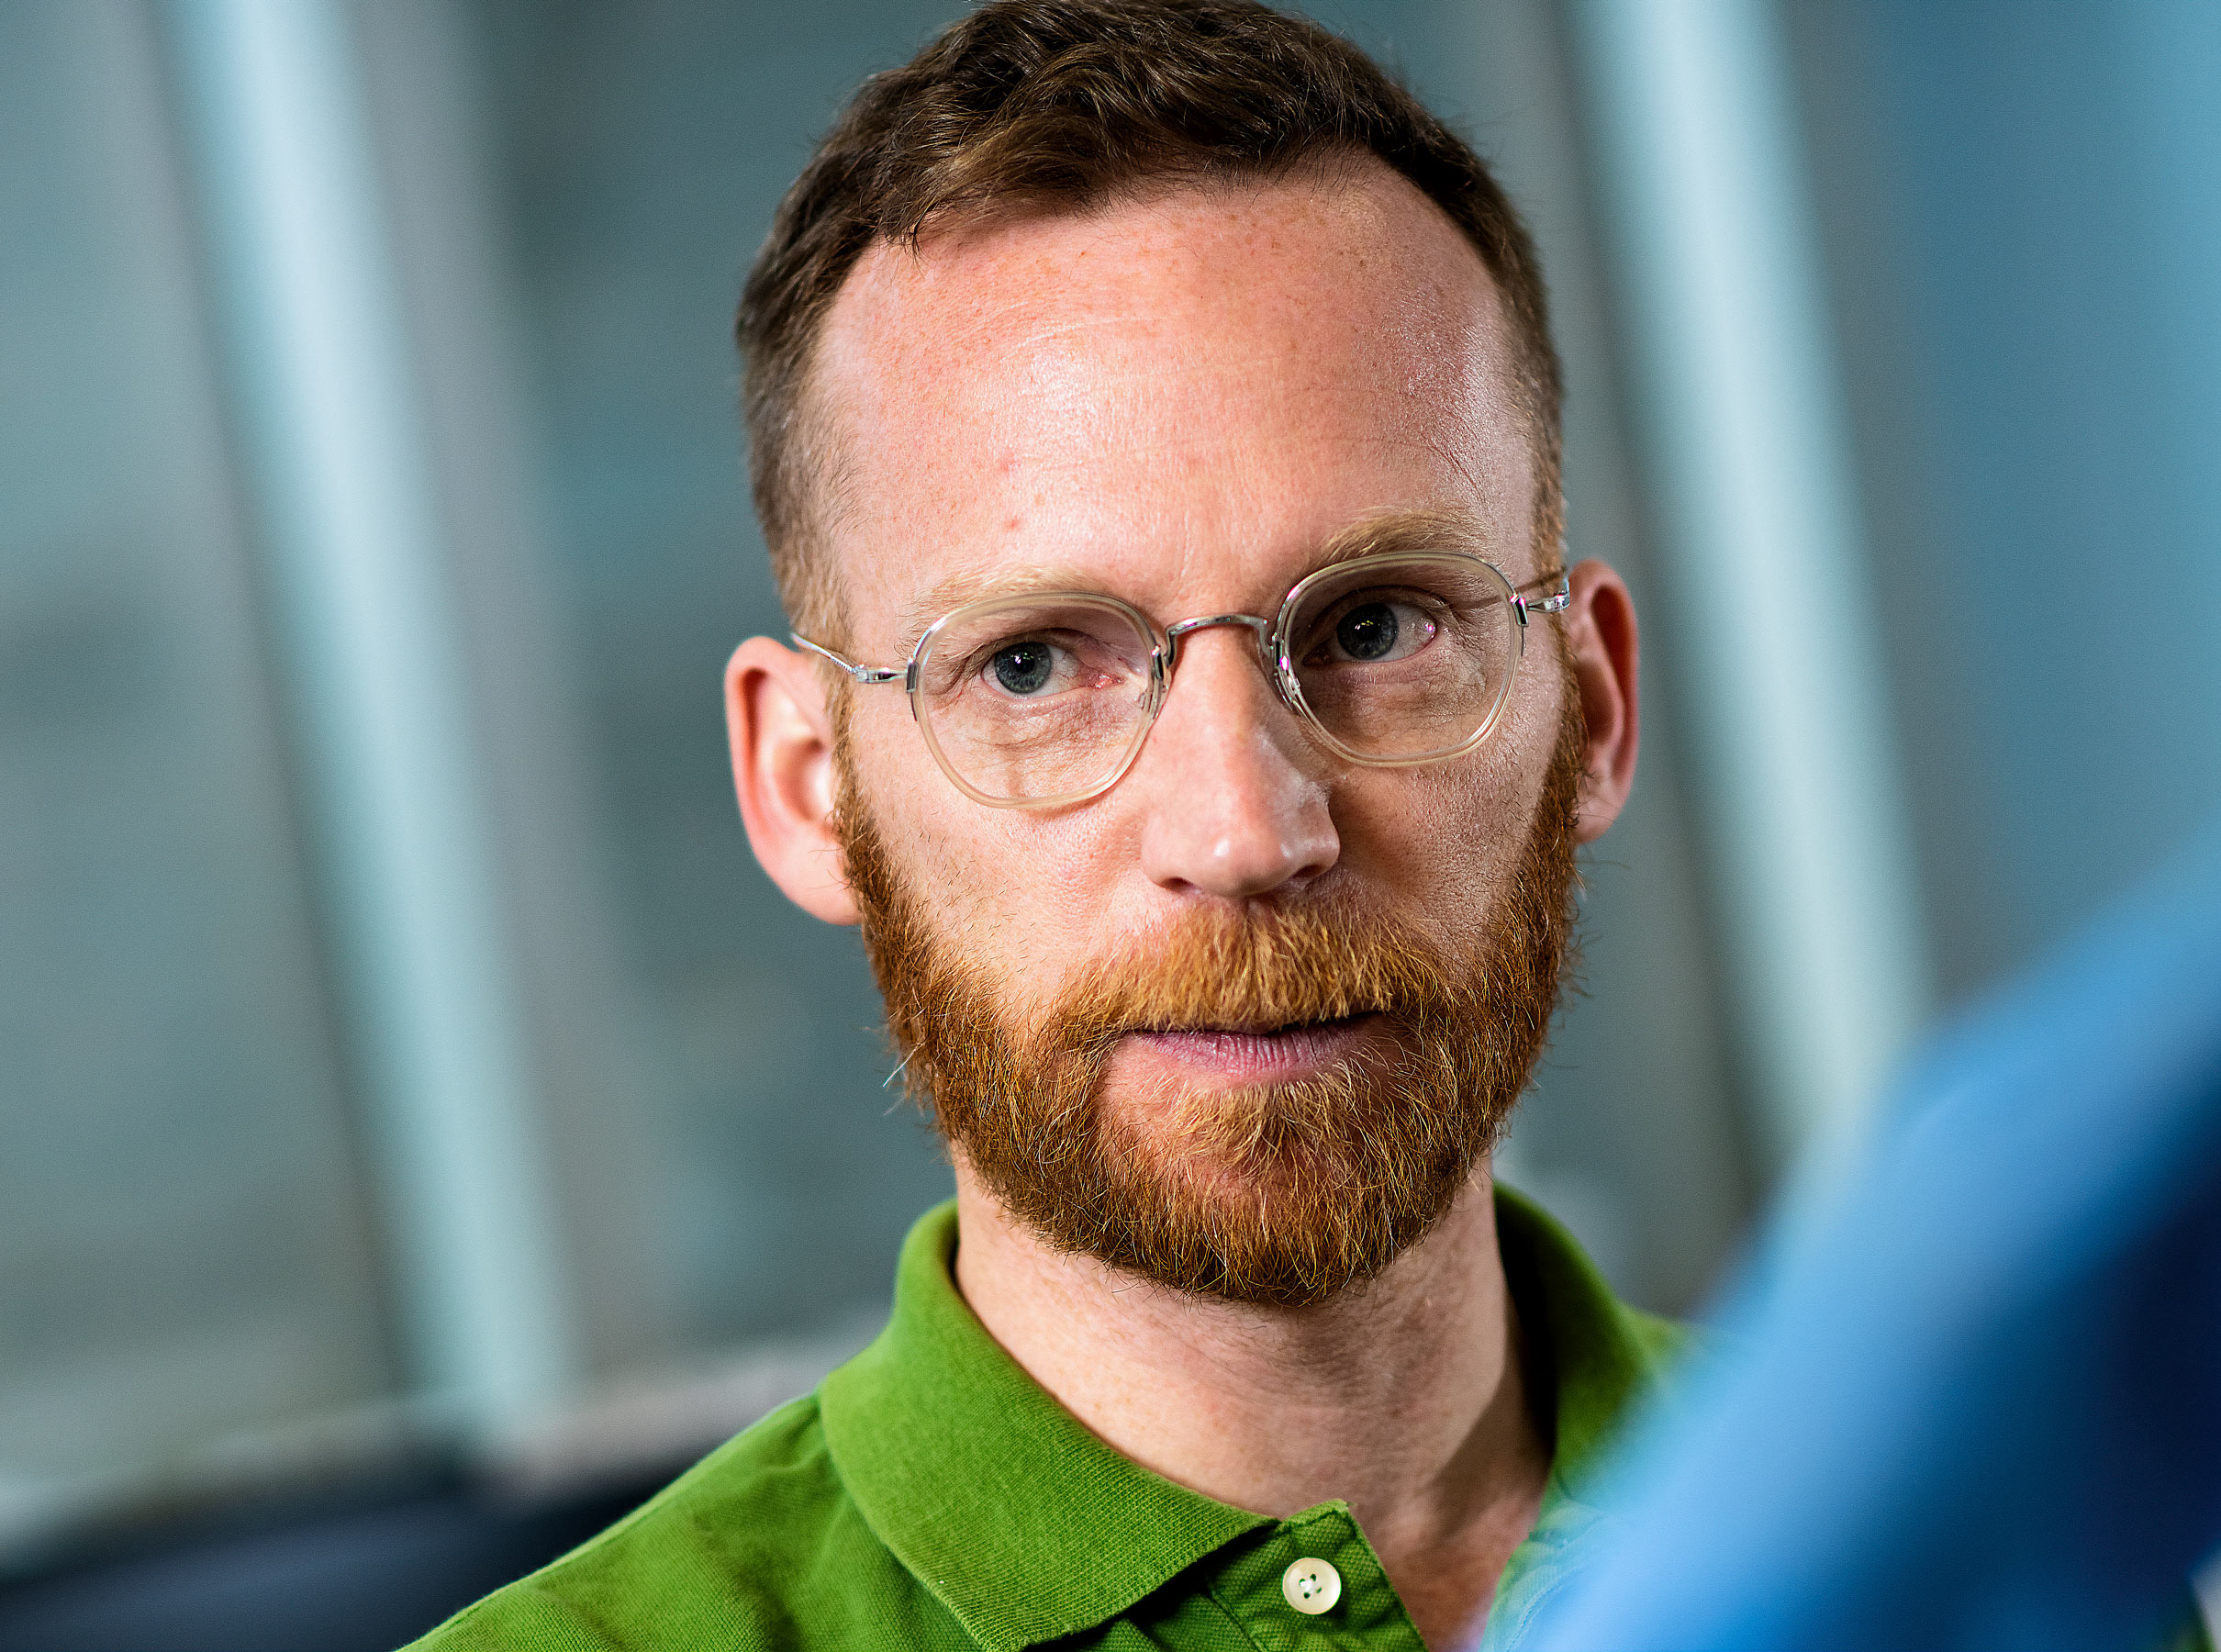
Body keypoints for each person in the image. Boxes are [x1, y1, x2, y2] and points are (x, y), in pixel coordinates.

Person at [417, 3, 1669, 1646]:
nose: (1244, 831)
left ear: (1589, 703)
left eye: (1374, 628)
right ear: (807, 785)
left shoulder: (2053, 1534)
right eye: (1030, 663)